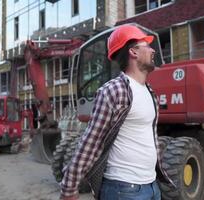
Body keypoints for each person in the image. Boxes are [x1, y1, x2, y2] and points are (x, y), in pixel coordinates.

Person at [60, 24, 175, 200]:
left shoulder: (149, 92)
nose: (153, 51)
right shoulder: (114, 90)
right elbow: (91, 142)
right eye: (147, 46)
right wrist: (69, 187)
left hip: (152, 186)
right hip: (123, 190)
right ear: (133, 52)